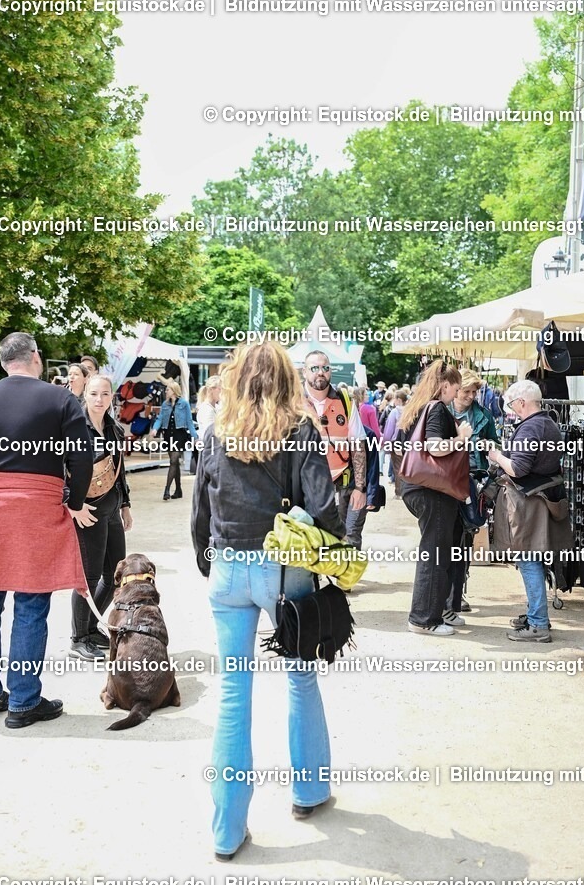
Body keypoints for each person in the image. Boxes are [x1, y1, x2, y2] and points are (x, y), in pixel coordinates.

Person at [191, 341, 345, 861]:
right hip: (284, 571)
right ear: (286, 379)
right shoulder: (301, 431)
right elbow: (325, 510)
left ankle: (226, 830)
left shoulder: (215, 434)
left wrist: (209, 562)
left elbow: (200, 513)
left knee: (234, 694)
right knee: (301, 678)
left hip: (228, 569)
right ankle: (309, 790)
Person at [0, 333, 95, 727]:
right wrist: (75, 500)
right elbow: (82, 460)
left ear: (2, 363)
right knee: (32, 604)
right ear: (35, 357)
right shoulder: (60, 399)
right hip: (39, 509)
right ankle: (24, 702)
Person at [488, 380, 573, 644]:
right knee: (532, 560)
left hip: (529, 503)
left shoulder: (529, 429)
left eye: (512, 405)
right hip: (542, 500)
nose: (511, 410)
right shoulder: (549, 424)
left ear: (522, 403)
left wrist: (496, 456)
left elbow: (518, 469)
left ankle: (538, 624)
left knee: (529, 561)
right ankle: (537, 616)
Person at [397, 360, 472, 636]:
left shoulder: (418, 407)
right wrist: (461, 437)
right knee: (434, 554)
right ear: (445, 385)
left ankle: (437, 610)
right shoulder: (437, 408)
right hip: (434, 491)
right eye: (455, 387)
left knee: (440, 550)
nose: (456, 393)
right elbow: (436, 448)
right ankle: (423, 619)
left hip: (421, 488)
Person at [70, 374, 133, 660]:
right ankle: (78, 637)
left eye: (105, 394)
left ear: (111, 397)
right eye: (94, 394)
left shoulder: (113, 428)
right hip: (88, 512)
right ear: (86, 394)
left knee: (116, 576)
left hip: (112, 509)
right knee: (89, 576)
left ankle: (91, 626)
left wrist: (126, 504)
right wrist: (72, 504)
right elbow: (58, 469)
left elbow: (119, 469)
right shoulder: (73, 428)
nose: (99, 400)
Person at [446, 369, 500, 615]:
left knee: (466, 537)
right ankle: (445, 592)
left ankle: (459, 590)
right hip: (445, 480)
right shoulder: (442, 411)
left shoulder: (483, 416)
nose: (470, 396)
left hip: (473, 479)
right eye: (466, 391)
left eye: (474, 392)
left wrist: (489, 447)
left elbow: (495, 443)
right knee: (446, 535)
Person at [303, 351, 368, 551]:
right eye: (314, 368)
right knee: (308, 543)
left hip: (341, 484)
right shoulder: (292, 402)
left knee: (341, 542)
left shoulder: (345, 401)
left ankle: (341, 583)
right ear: (304, 372)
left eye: (325, 368)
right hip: (305, 488)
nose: (320, 372)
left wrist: (360, 488)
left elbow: (358, 445)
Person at [150, 381, 197, 500]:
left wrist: (194, 436)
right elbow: (160, 419)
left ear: (174, 391)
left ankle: (166, 489)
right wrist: (155, 429)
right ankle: (178, 490)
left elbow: (189, 421)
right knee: (174, 463)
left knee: (173, 461)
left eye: (167, 390)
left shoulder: (184, 404)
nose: (166, 391)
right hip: (168, 435)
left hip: (179, 435)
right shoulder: (165, 405)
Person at [191, 375, 222, 474]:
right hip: (209, 449)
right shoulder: (206, 409)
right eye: (220, 389)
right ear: (211, 389)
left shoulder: (216, 407)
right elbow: (210, 432)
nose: (222, 392)